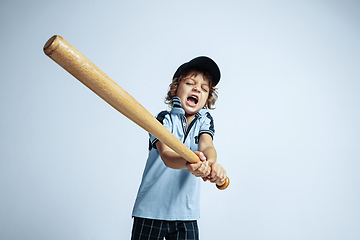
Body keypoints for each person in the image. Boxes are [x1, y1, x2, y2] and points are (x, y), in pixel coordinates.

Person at [131, 56, 227, 240]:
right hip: (151, 211)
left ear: (206, 99)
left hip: (186, 214)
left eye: (204, 88)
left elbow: (207, 146)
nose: (197, 88)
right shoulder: (162, 120)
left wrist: (212, 164)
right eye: (190, 82)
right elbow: (167, 156)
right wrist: (192, 162)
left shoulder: (204, 121)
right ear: (175, 89)